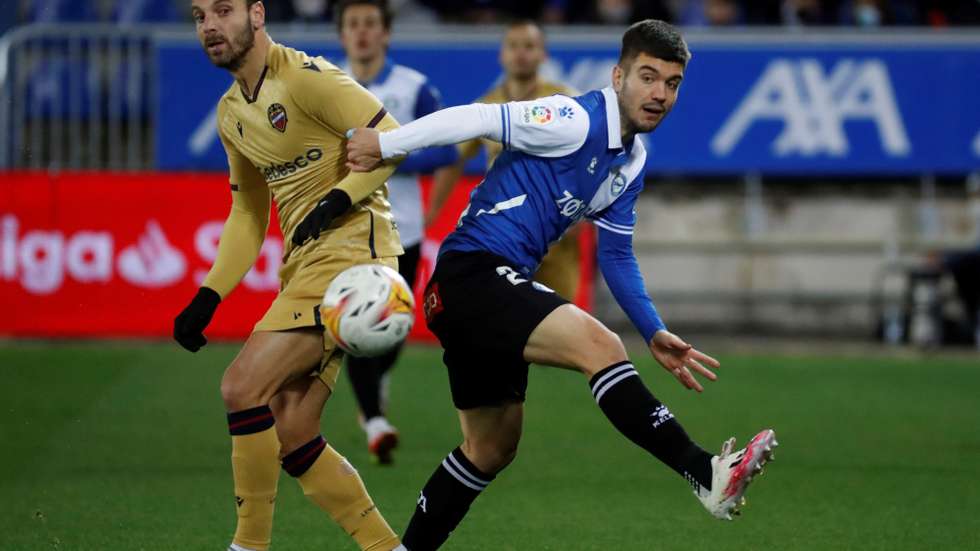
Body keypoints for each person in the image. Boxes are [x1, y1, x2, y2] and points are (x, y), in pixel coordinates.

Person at [347, 19, 777, 549]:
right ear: (618, 76)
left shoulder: (633, 161)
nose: (660, 93)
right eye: (648, 77)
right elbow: (478, 117)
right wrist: (386, 145)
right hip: (472, 273)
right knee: (599, 345)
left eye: (672, 83)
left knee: (490, 447)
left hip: (478, 290)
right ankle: (706, 473)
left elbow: (616, 254)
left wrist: (653, 330)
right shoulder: (573, 117)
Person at [174, 1, 407, 550]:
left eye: (224, 10)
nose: (210, 25)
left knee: (240, 387)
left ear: (257, 14)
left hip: (352, 257)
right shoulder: (231, 112)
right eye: (199, 15)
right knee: (293, 428)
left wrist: (339, 197)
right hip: (306, 266)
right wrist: (208, 295)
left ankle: (247, 545)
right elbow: (249, 213)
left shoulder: (305, 78)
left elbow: (393, 136)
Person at [335, 0, 458, 465]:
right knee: (352, 321)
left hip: (400, 229)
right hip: (343, 229)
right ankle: (375, 422)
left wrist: (392, 157)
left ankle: (377, 384)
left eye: (370, 24)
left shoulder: (414, 89)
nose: (362, 33)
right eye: (353, 25)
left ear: (386, 33)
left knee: (394, 325)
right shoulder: (326, 84)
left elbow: (446, 154)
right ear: (343, 35)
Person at [427, 20, 584, 301]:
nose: (521, 53)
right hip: (503, 233)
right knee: (503, 319)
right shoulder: (486, 106)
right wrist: (432, 213)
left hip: (556, 235)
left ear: (543, 54)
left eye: (529, 46)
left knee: (561, 321)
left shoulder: (565, 101)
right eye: (514, 46)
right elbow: (453, 160)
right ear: (502, 54)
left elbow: (590, 156)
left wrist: (586, 214)